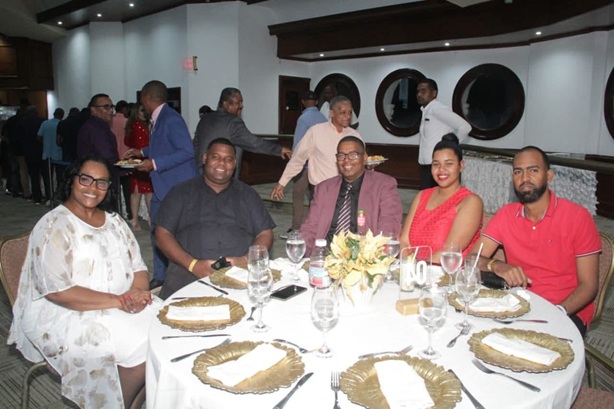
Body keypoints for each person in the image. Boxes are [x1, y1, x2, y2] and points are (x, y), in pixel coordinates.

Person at [8, 155, 161, 409]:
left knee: (165, 333)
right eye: (86, 179)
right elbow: (59, 292)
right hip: (69, 313)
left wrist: (136, 293)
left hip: (120, 302)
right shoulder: (54, 225)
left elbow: (138, 266)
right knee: (141, 349)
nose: (93, 187)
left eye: (102, 182)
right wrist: (120, 300)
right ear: (72, 180)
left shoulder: (114, 221)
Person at [470, 146, 601, 336]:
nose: (525, 178)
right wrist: (496, 265)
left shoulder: (578, 217)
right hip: (518, 305)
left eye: (533, 170)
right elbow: (472, 259)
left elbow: (589, 286)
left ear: (549, 176)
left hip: (565, 310)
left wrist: (557, 312)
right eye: (518, 172)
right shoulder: (506, 215)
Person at [155, 138, 275, 299]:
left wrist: (246, 260)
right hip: (188, 275)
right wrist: (193, 265)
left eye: (228, 159)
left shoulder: (248, 195)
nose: (222, 164)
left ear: (235, 164)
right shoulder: (181, 192)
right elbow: (162, 234)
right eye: (215, 157)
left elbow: (265, 234)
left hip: (239, 277)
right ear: (205, 158)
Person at [125, 80, 197, 290]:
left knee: (174, 233)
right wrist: (142, 152)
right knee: (157, 230)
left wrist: (154, 164)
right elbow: (163, 145)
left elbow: (187, 151)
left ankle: (181, 274)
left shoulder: (171, 119)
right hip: (162, 186)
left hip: (177, 187)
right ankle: (160, 275)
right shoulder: (159, 118)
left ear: (146, 98)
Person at [299, 136, 403, 256]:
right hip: (326, 255)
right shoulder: (324, 189)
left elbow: (389, 223)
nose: (346, 160)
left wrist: (375, 255)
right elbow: (310, 226)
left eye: (353, 155)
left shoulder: (383, 185)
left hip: (364, 256)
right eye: (341, 156)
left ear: (364, 158)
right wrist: (302, 252)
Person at [400, 134, 483, 260]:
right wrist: (408, 267)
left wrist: (418, 269)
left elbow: (449, 252)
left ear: (461, 166)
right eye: (436, 164)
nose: (441, 170)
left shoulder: (471, 202)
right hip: (412, 269)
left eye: (449, 164)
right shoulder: (422, 196)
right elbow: (404, 241)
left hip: (447, 270)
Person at [271, 95, 361, 202]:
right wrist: (282, 183)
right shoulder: (316, 132)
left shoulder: (354, 135)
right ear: (331, 113)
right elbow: (298, 159)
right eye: (343, 112)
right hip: (320, 190)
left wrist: (368, 165)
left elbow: (361, 161)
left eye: (350, 113)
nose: (347, 116)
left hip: (347, 190)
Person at [193, 87, 291, 176]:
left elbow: (195, 147)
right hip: (222, 178)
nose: (241, 106)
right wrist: (279, 149)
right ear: (225, 103)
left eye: (241, 102)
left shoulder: (204, 120)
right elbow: (254, 143)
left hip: (201, 176)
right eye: (238, 102)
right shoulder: (233, 122)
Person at [279, 90, 327, 239]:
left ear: (303, 102)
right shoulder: (323, 118)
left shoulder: (303, 118)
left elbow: (299, 143)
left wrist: (294, 163)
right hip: (319, 164)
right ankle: (317, 225)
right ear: (317, 102)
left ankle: (296, 228)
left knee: (298, 194)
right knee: (314, 196)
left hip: (305, 165)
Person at [416, 78, 471, 189]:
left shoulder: (437, 109)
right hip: (426, 166)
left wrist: (450, 145)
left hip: (437, 165)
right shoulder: (425, 111)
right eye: (418, 91)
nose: (419, 94)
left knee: (436, 197)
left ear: (434, 93)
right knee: (427, 196)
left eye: (423, 91)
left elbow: (465, 127)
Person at [77, 94, 120, 210]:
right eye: (106, 107)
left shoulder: (97, 126)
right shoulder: (96, 129)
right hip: (98, 179)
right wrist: (122, 166)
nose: (110, 111)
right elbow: (106, 155)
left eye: (111, 107)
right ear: (93, 110)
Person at [124, 102, 153, 231]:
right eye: (142, 111)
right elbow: (140, 143)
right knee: (139, 192)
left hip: (142, 159)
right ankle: (137, 220)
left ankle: (139, 220)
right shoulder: (137, 125)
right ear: (136, 112)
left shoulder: (139, 124)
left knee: (145, 192)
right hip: (140, 160)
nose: (144, 113)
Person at [15, 105, 44, 204]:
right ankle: (46, 194)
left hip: (27, 152)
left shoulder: (22, 123)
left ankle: (35, 196)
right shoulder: (42, 121)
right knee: (43, 175)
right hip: (41, 151)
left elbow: (18, 139)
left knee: (32, 175)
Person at [111, 100, 133, 222]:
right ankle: (129, 213)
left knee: (114, 187)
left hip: (113, 158)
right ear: (124, 109)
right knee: (127, 189)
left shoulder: (110, 122)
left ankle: (115, 212)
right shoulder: (127, 122)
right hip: (125, 159)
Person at [37, 107, 64, 204]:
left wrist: (45, 143)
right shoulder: (61, 124)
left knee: (47, 177)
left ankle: (49, 195)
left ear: (54, 114)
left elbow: (39, 137)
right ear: (62, 115)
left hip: (47, 153)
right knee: (60, 177)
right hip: (59, 154)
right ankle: (59, 195)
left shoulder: (45, 123)